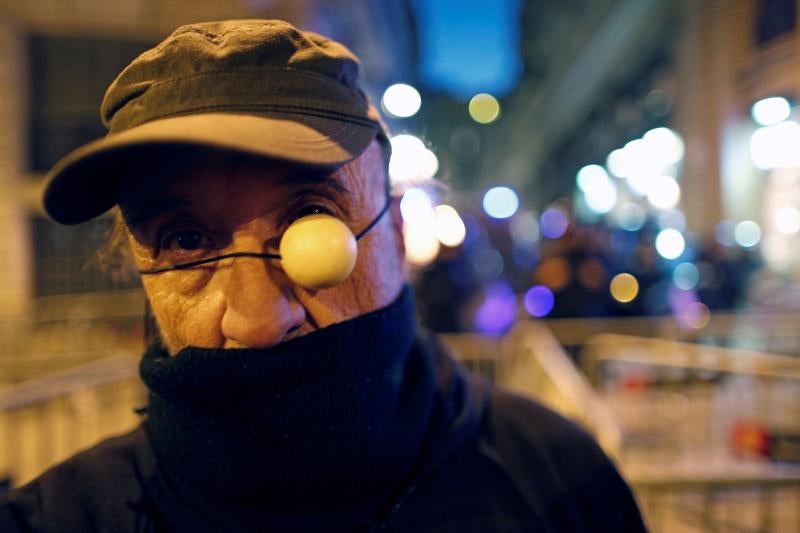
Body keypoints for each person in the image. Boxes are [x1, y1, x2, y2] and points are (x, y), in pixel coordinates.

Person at [0, 20, 646, 532]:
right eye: (186, 239)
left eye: (312, 217)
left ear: (394, 235)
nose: (256, 321)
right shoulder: (58, 519)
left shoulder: (559, 480)